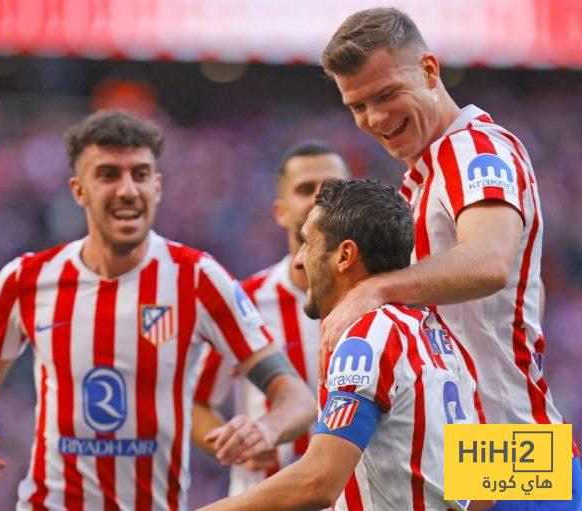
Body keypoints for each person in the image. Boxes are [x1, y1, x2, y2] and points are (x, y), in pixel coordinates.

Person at [0, 110, 315, 511]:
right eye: (108, 175)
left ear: (157, 186)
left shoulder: (198, 278)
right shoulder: (28, 279)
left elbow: (296, 397)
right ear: (79, 190)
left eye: (139, 174)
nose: (127, 190)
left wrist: (266, 429)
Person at [318, 9, 580, 510]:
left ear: (429, 70)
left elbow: (489, 261)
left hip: (510, 447)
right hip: (474, 451)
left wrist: (377, 288)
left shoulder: (474, 149)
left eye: (387, 94)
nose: (375, 118)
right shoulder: (425, 176)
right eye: (358, 106)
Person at [199, 178, 485, 511]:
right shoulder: (444, 340)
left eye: (308, 243)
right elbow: (481, 494)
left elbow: (319, 481)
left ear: (345, 255)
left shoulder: (369, 337)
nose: (299, 260)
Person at [191, 140, 349, 496]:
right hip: (269, 497)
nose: (320, 199)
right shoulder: (245, 301)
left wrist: (472, 489)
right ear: (279, 211)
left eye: (333, 188)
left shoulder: (388, 297)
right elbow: (195, 402)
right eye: (305, 189)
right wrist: (235, 443)